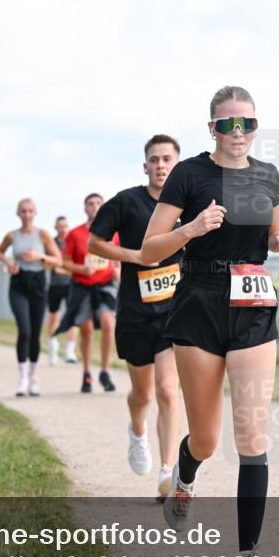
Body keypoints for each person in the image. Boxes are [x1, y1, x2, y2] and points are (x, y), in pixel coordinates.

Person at [141, 86, 279, 557]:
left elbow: (273, 232)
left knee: (252, 436)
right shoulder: (189, 174)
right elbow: (148, 252)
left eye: (247, 124)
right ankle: (186, 474)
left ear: (256, 127)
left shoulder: (268, 174)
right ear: (212, 128)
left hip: (252, 302)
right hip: (199, 302)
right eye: (228, 125)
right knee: (206, 439)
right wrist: (191, 228)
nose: (238, 133)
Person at [89, 133, 186, 499]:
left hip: (173, 311)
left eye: (167, 159)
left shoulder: (188, 206)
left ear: (176, 164)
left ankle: (168, 473)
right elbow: (95, 243)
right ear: (145, 165)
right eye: (155, 159)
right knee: (142, 394)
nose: (161, 165)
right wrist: (137, 256)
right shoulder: (126, 202)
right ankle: (137, 430)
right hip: (134, 311)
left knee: (167, 389)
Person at [0, 198, 63, 396]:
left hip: (38, 283)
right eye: (23, 211)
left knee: (35, 332)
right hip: (18, 283)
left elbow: (58, 259)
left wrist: (39, 257)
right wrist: (9, 261)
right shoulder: (12, 235)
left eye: (30, 211)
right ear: (18, 213)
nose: (27, 215)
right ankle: (22, 377)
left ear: (35, 213)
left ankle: (33, 377)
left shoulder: (42, 235)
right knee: (24, 330)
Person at [55, 193, 120, 393]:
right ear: (85, 209)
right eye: (90, 204)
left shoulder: (114, 233)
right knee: (87, 330)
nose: (95, 207)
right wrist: (82, 269)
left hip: (105, 284)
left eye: (98, 203)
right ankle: (86, 373)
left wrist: (118, 272)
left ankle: (105, 371)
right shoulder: (75, 234)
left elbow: (117, 259)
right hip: (82, 286)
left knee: (109, 323)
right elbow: (63, 262)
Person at [46, 216, 79, 365]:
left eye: (65, 226)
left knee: (73, 317)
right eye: (60, 226)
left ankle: (70, 351)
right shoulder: (51, 244)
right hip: (55, 286)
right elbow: (47, 263)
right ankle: (53, 348)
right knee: (54, 317)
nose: (63, 229)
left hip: (71, 284)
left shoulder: (73, 242)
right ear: (55, 228)